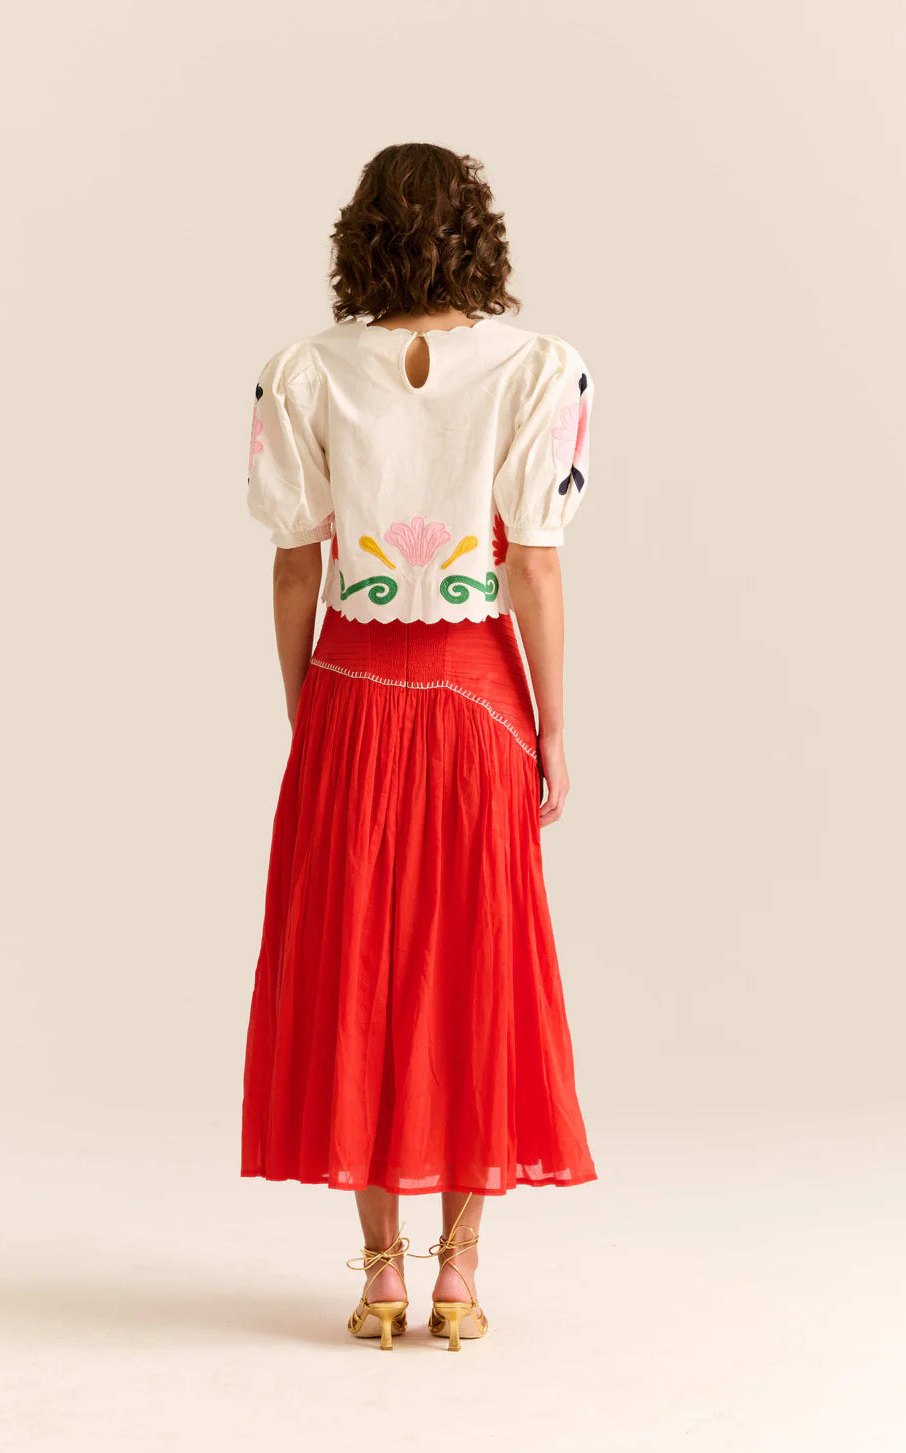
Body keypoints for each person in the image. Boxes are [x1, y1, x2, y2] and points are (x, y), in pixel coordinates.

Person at [242, 143, 597, 1352]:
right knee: (470, 963)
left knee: (360, 968)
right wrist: (553, 727)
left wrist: (307, 708)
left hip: (351, 684)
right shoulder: (540, 369)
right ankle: (462, 1278)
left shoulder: (301, 374)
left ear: (361, 239)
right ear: (477, 234)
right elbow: (534, 563)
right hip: (479, 696)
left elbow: (298, 563)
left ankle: (379, 1274)